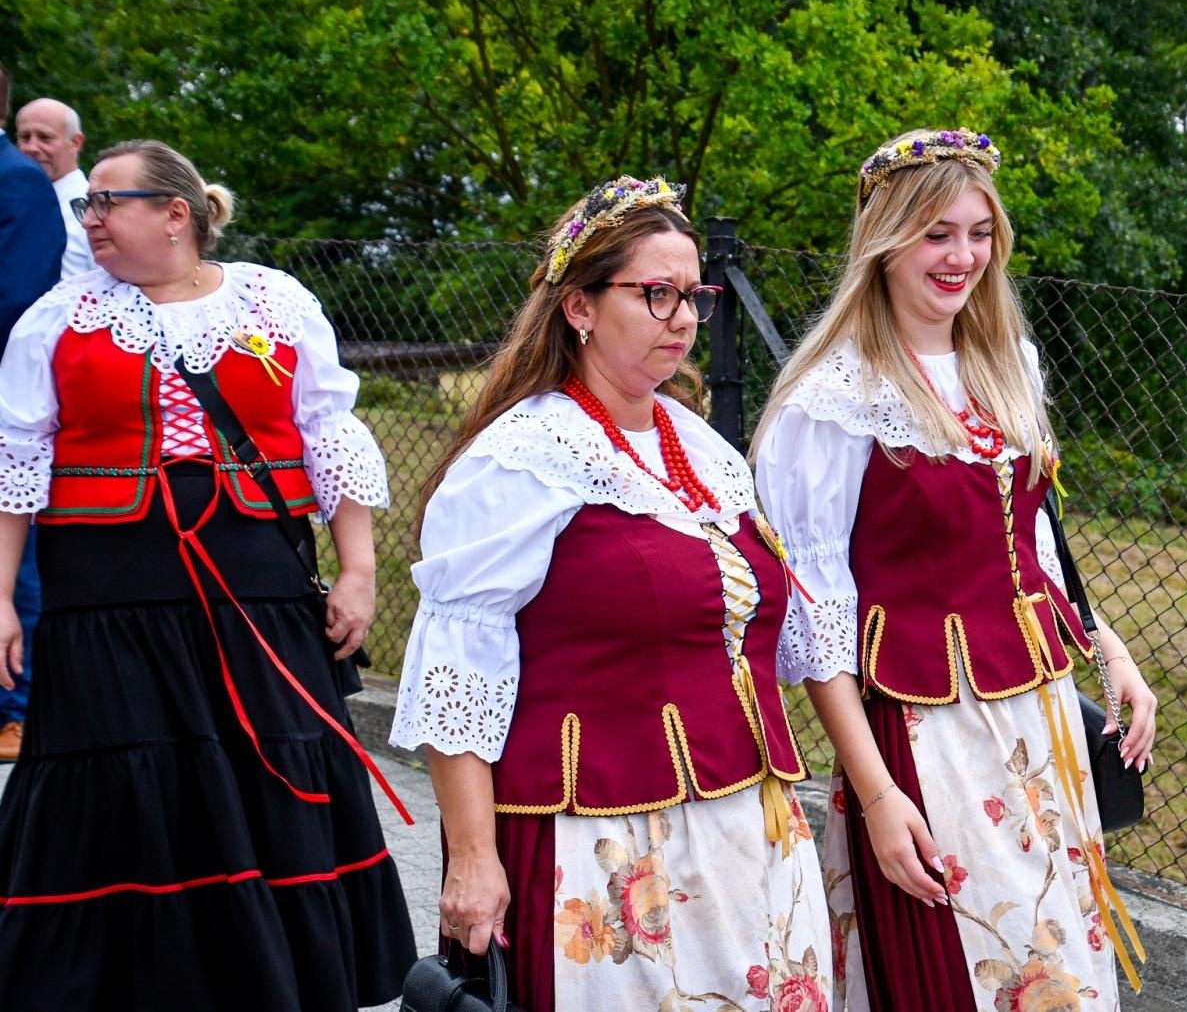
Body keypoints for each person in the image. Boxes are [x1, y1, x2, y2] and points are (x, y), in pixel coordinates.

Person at [391, 176, 832, 1010]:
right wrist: (473, 859)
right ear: (581, 308)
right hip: (600, 846)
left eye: (693, 295)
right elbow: (458, 670)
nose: (682, 317)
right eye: (654, 292)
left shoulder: (701, 449)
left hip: (745, 829)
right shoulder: (522, 455)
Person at [0, 139, 415, 1009]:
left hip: (254, 585)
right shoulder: (58, 318)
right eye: (90, 207)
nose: (94, 219)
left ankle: (273, 982)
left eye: (110, 202)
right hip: (108, 598)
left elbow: (331, 435)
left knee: (269, 777)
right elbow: (15, 459)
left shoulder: (276, 300)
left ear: (176, 214)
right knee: (126, 792)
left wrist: (359, 569)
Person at [751, 128, 1160, 1012]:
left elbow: (1031, 543)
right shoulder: (833, 396)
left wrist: (1109, 651)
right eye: (937, 233)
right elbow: (817, 621)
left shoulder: (1006, 363)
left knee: (1053, 966)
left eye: (980, 233)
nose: (962, 256)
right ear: (885, 240)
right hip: (927, 733)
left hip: (1039, 717)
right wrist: (876, 793)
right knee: (960, 975)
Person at [0, 63, 65, 765]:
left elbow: (14, 298)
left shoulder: (16, 180)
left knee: (17, 566)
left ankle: (17, 711)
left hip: (6, 398)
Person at [16, 97, 93, 279]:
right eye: (24, 137)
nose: (32, 147)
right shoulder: (15, 202)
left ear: (75, 143)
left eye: (45, 137)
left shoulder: (94, 210)